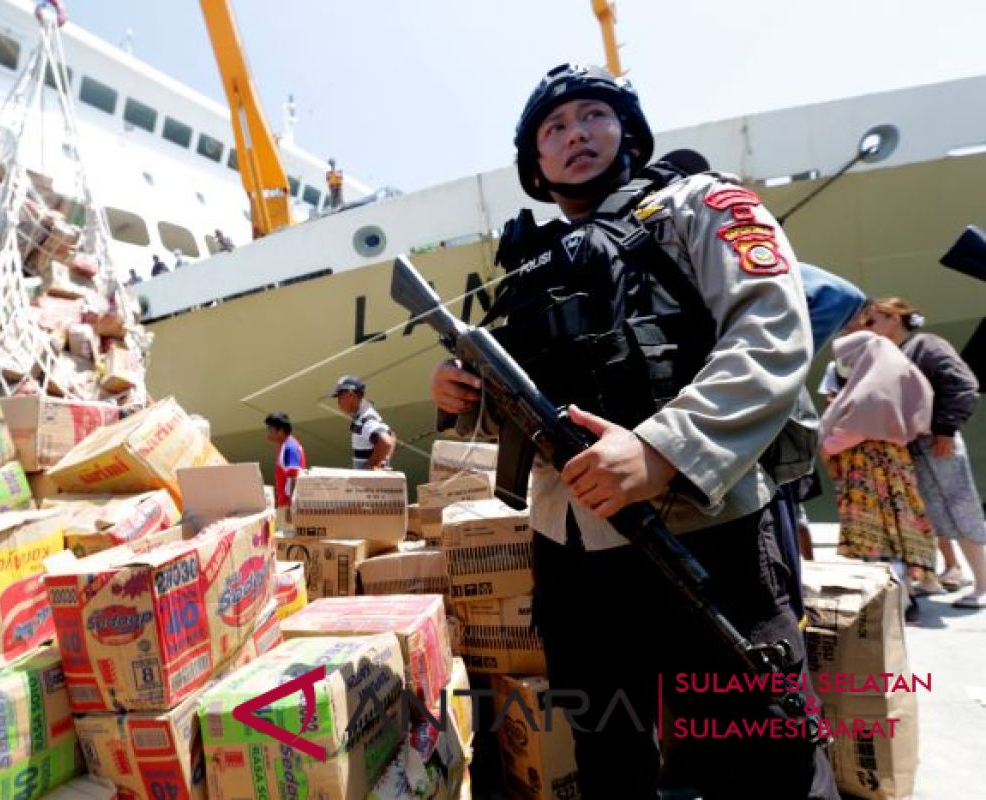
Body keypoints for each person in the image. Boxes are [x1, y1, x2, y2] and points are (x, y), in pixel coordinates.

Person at [430, 64, 837, 798]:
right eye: (553, 129)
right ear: (535, 164)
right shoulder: (532, 266)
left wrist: (661, 449)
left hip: (703, 535)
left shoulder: (698, 205)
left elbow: (772, 333)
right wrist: (467, 397)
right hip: (571, 555)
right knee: (608, 755)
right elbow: (534, 402)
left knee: (764, 757)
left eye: (592, 116)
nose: (575, 134)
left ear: (628, 132)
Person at [864, 296, 986, 609]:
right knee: (927, 516)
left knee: (961, 509)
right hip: (913, 448)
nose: (868, 327)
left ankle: (983, 585)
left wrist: (946, 429)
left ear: (894, 318)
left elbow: (963, 385)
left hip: (937, 444)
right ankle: (930, 579)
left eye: (873, 320)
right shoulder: (892, 353)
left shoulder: (928, 345)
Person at [820, 330, 936, 622]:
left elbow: (851, 432)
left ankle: (897, 602)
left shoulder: (870, 391)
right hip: (896, 467)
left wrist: (824, 446)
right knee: (896, 533)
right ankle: (905, 597)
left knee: (878, 539)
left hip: (868, 471)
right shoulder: (901, 376)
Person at [330, 375, 394, 469]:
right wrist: (384, 459)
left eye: (339, 396)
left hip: (370, 483)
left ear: (350, 395)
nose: (338, 402)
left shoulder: (365, 420)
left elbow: (386, 442)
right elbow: (392, 435)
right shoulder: (367, 414)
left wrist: (371, 466)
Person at [265, 412, 307, 528]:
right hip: (285, 504)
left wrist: (290, 508)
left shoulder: (290, 447)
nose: (268, 433)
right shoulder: (285, 445)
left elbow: (294, 477)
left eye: (270, 429)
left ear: (281, 430)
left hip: (288, 507)